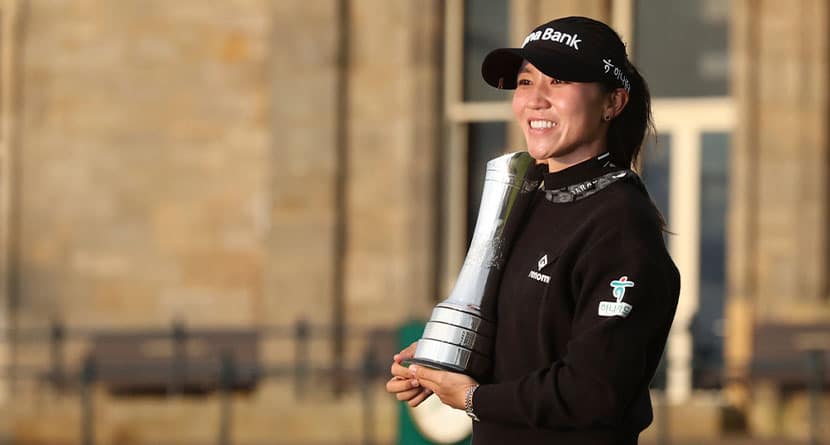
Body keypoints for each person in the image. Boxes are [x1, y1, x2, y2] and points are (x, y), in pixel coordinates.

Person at [386, 15, 680, 445]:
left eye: (558, 81)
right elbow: (527, 342)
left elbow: (594, 392)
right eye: (526, 82)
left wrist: (472, 399)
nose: (535, 100)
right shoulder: (527, 199)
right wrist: (441, 361)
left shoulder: (621, 224)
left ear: (612, 102)